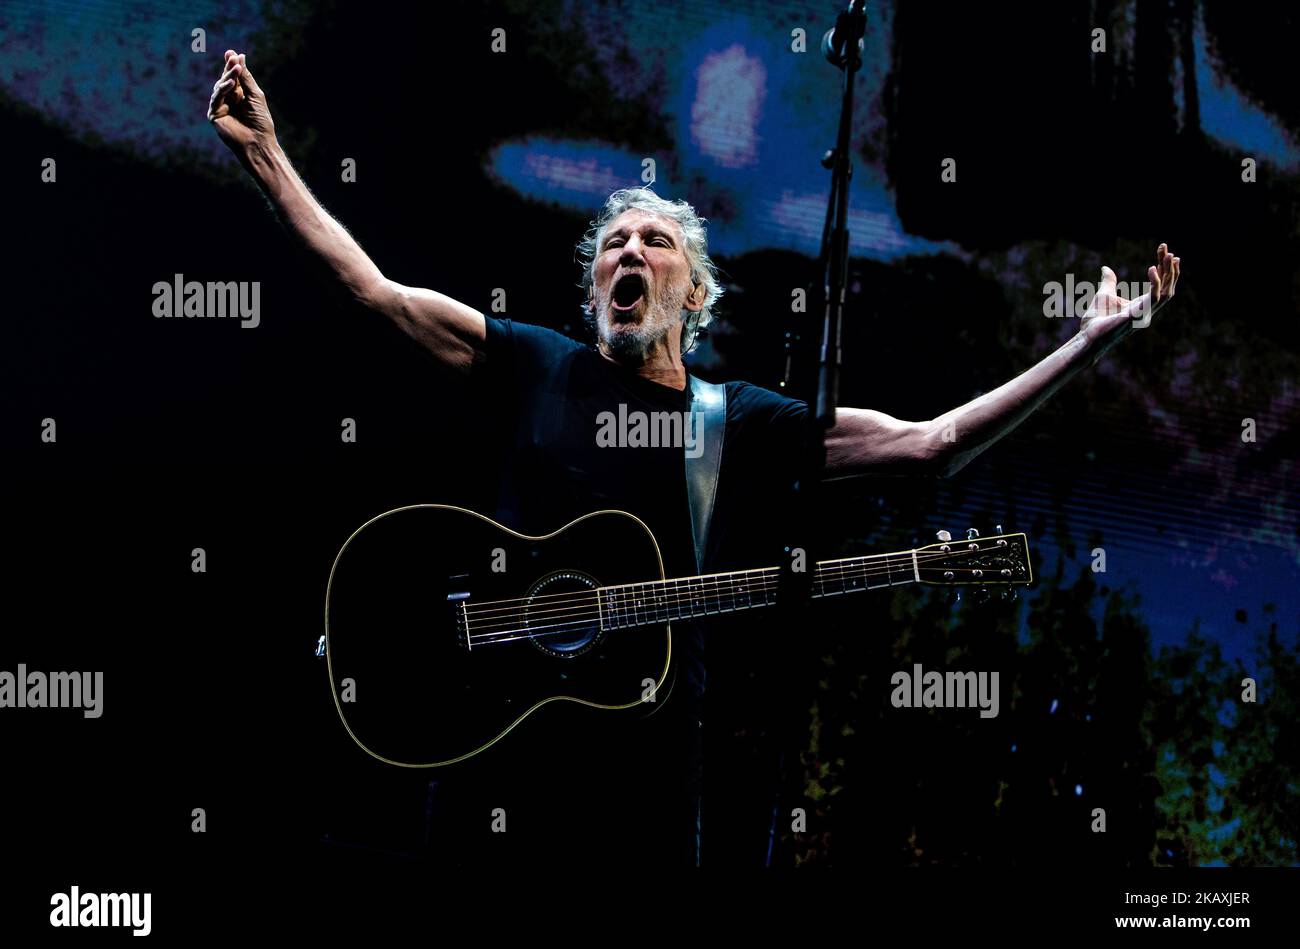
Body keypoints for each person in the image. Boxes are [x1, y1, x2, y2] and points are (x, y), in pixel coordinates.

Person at [208, 50, 1181, 866]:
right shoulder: (535, 363)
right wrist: (268, 157)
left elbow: (928, 445)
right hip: (497, 757)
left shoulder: (738, 420)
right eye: (614, 242)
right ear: (595, 283)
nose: (630, 251)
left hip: (646, 777)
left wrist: (1087, 341)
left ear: (695, 293)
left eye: (656, 242)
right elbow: (375, 292)